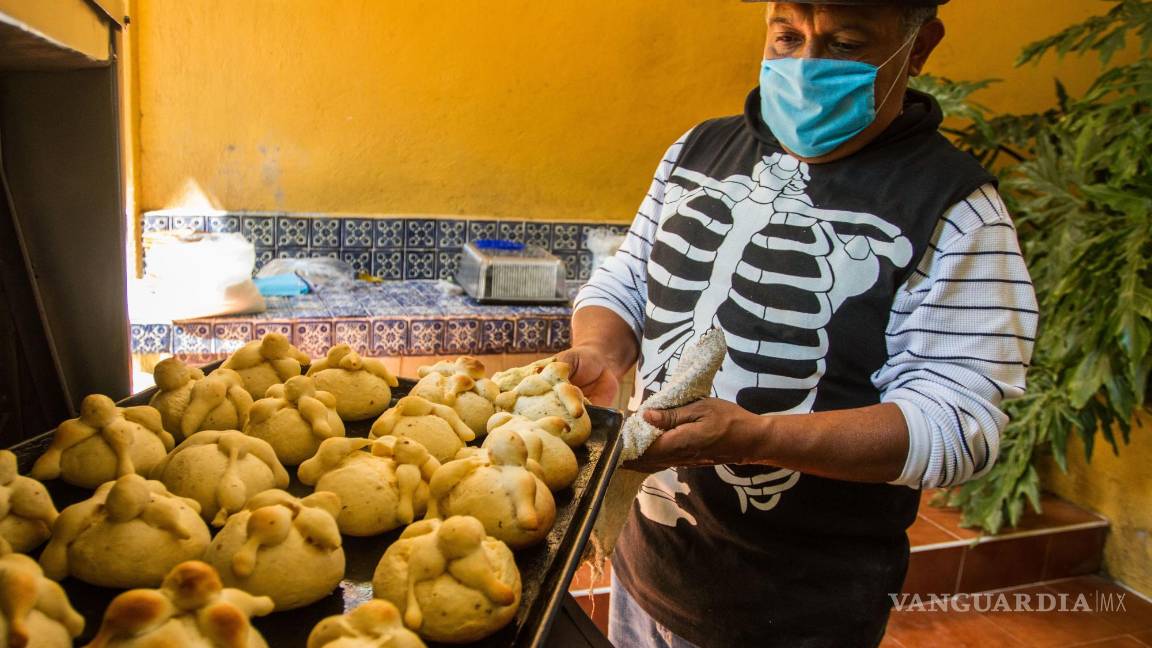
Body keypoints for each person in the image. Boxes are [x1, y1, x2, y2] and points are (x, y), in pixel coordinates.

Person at [559, 1, 1038, 646]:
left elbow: (959, 424)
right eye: (787, 35)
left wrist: (759, 439)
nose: (807, 64)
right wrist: (598, 351)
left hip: (795, 611)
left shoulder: (958, 210)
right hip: (650, 565)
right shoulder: (698, 150)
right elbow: (629, 279)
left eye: (845, 43)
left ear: (920, 46)